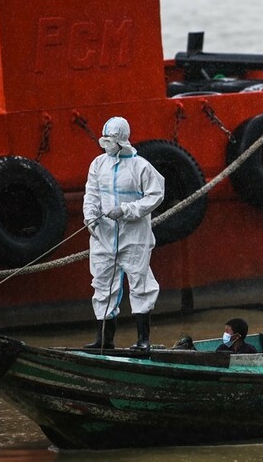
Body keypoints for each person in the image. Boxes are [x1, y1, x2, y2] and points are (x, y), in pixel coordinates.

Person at [83, 117, 165, 350]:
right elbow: (91, 194)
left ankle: (143, 340)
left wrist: (127, 210)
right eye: (104, 139)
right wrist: (90, 217)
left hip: (134, 235)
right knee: (102, 282)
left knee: (140, 282)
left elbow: (155, 195)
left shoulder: (141, 166)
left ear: (121, 140)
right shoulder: (98, 164)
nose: (106, 144)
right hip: (103, 235)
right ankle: (104, 340)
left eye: (109, 140)